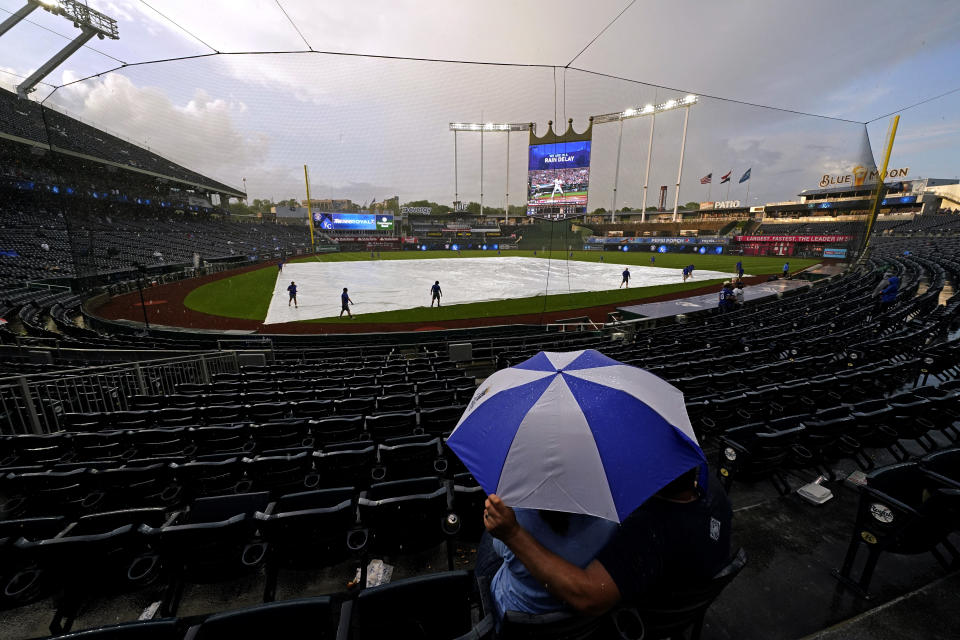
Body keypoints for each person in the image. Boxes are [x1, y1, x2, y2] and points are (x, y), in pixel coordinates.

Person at [482, 467, 732, 617]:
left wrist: (513, 534)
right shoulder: (716, 490)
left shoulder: (644, 534)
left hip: (652, 607)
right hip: (691, 595)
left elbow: (589, 596)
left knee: (489, 549)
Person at [475, 510, 617, 625]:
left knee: (489, 532)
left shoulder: (516, 516)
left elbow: (499, 548)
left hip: (513, 614)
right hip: (575, 622)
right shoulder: (610, 522)